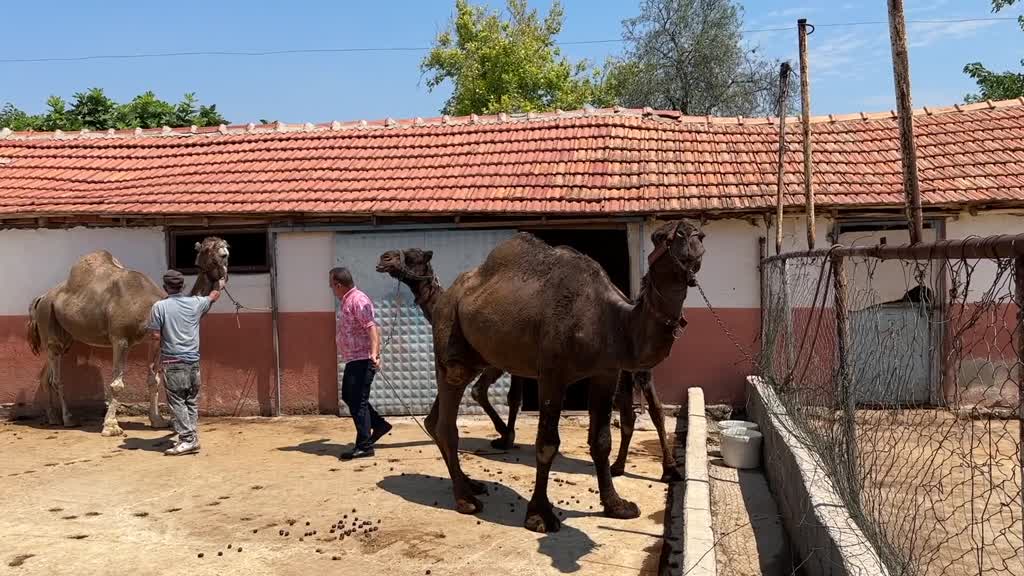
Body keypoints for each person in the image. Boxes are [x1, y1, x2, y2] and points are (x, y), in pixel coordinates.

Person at [148, 270, 223, 456]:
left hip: (173, 363)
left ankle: (187, 440)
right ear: (183, 286)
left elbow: (155, 337)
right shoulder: (196, 303)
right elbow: (214, 296)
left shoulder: (159, 307)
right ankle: (192, 437)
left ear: (165, 287)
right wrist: (220, 282)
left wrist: (153, 361)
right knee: (190, 400)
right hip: (193, 362)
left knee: (177, 403)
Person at [331, 266, 391, 459]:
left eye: (331, 285)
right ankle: (379, 425)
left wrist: (374, 354)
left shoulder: (358, 300)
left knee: (358, 401)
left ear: (338, 284)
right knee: (350, 397)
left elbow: (371, 328)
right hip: (354, 359)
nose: (331, 288)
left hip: (363, 359)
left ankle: (365, 446)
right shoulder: (347, 300)